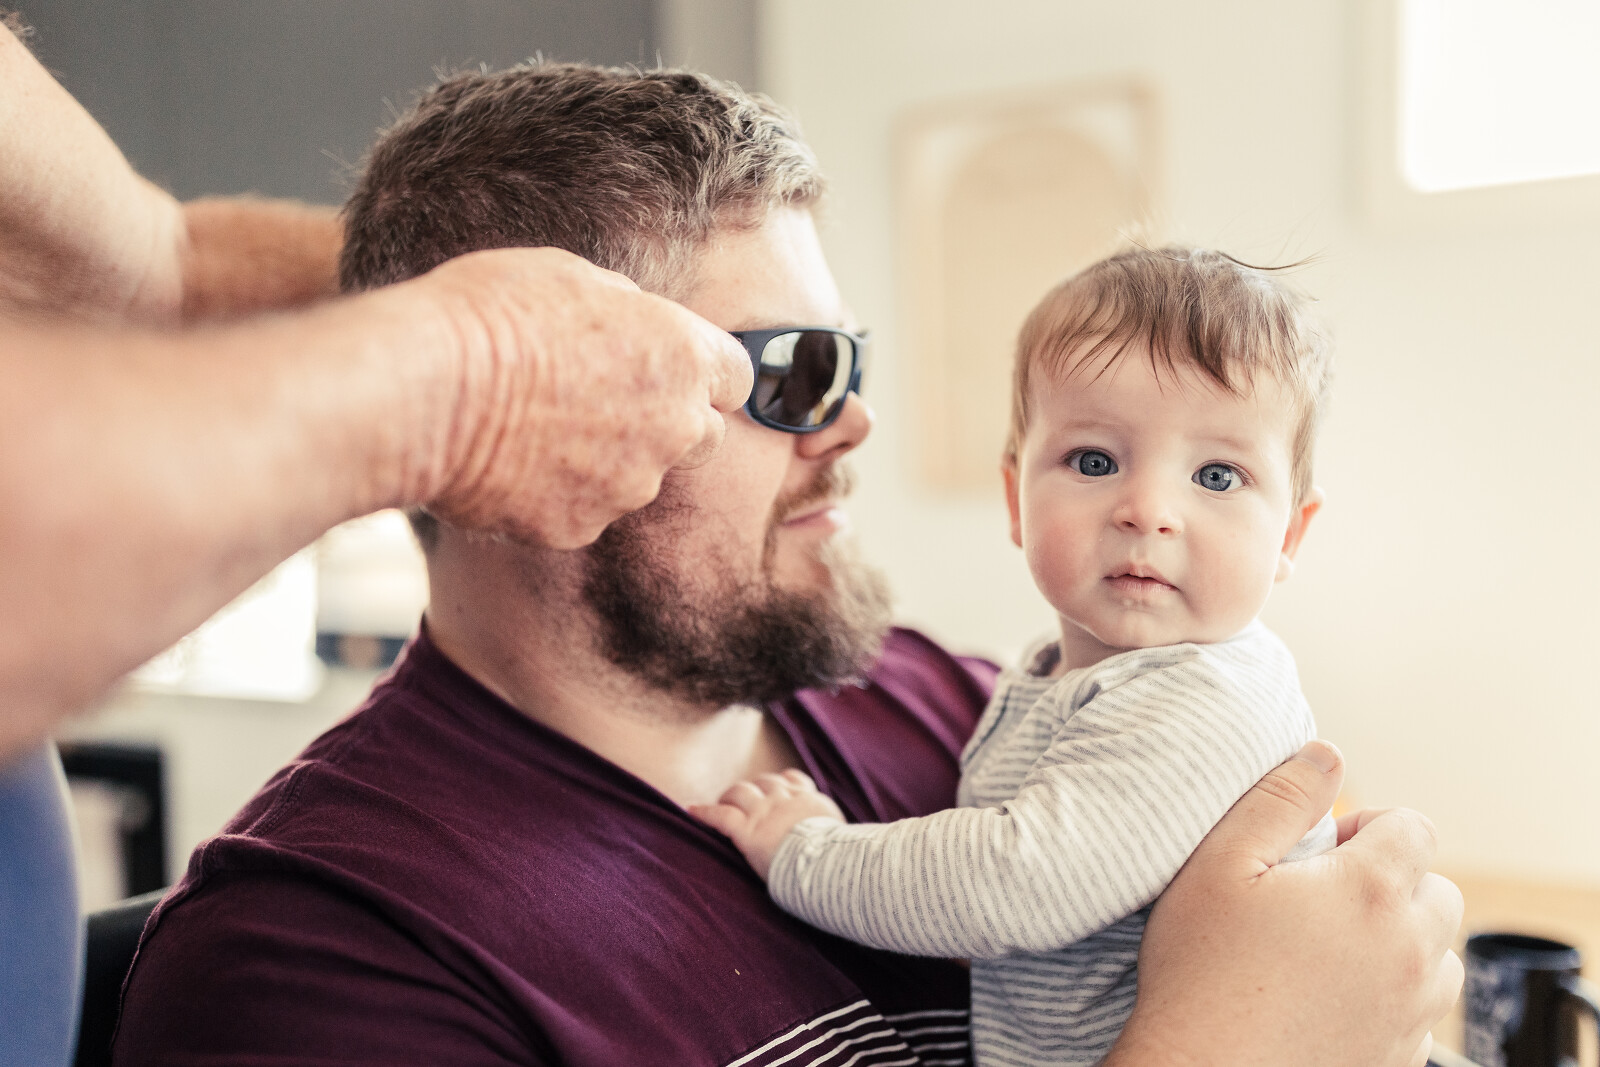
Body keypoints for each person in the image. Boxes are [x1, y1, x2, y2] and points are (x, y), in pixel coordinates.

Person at [111, 63, 1463, 1067]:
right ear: (513, 425)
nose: (853, 419)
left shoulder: (953, 704)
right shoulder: (317, 956)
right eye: (790, 371)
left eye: (846, 360)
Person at [0, 17, 751, 1067]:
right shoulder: (323, 950)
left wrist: (538, 269)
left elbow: (164, 269)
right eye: (787, 369)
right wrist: (473, 377)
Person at [695, 245, 1345, 1066]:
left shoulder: (1206, 696)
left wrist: (806, 851)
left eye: (1217, 475)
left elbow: (1020, 880)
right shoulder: (1052, 669)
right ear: (1015, 497)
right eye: (1095, 461)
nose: (1148, 510)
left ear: (1289, 535)